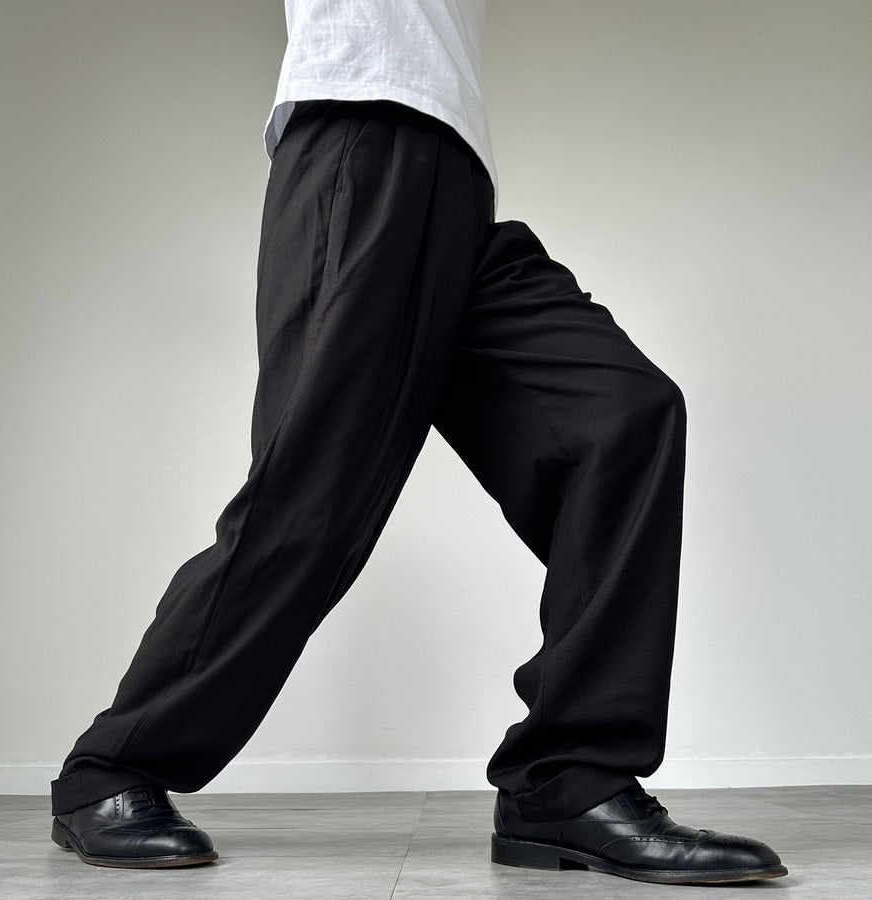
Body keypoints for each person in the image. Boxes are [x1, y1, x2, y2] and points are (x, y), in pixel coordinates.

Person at [49, 0, 788, 885]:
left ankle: (570, 782)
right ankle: (110, 772)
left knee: (622, 418)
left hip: (456, 172)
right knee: (311, 498)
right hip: (359, 138)